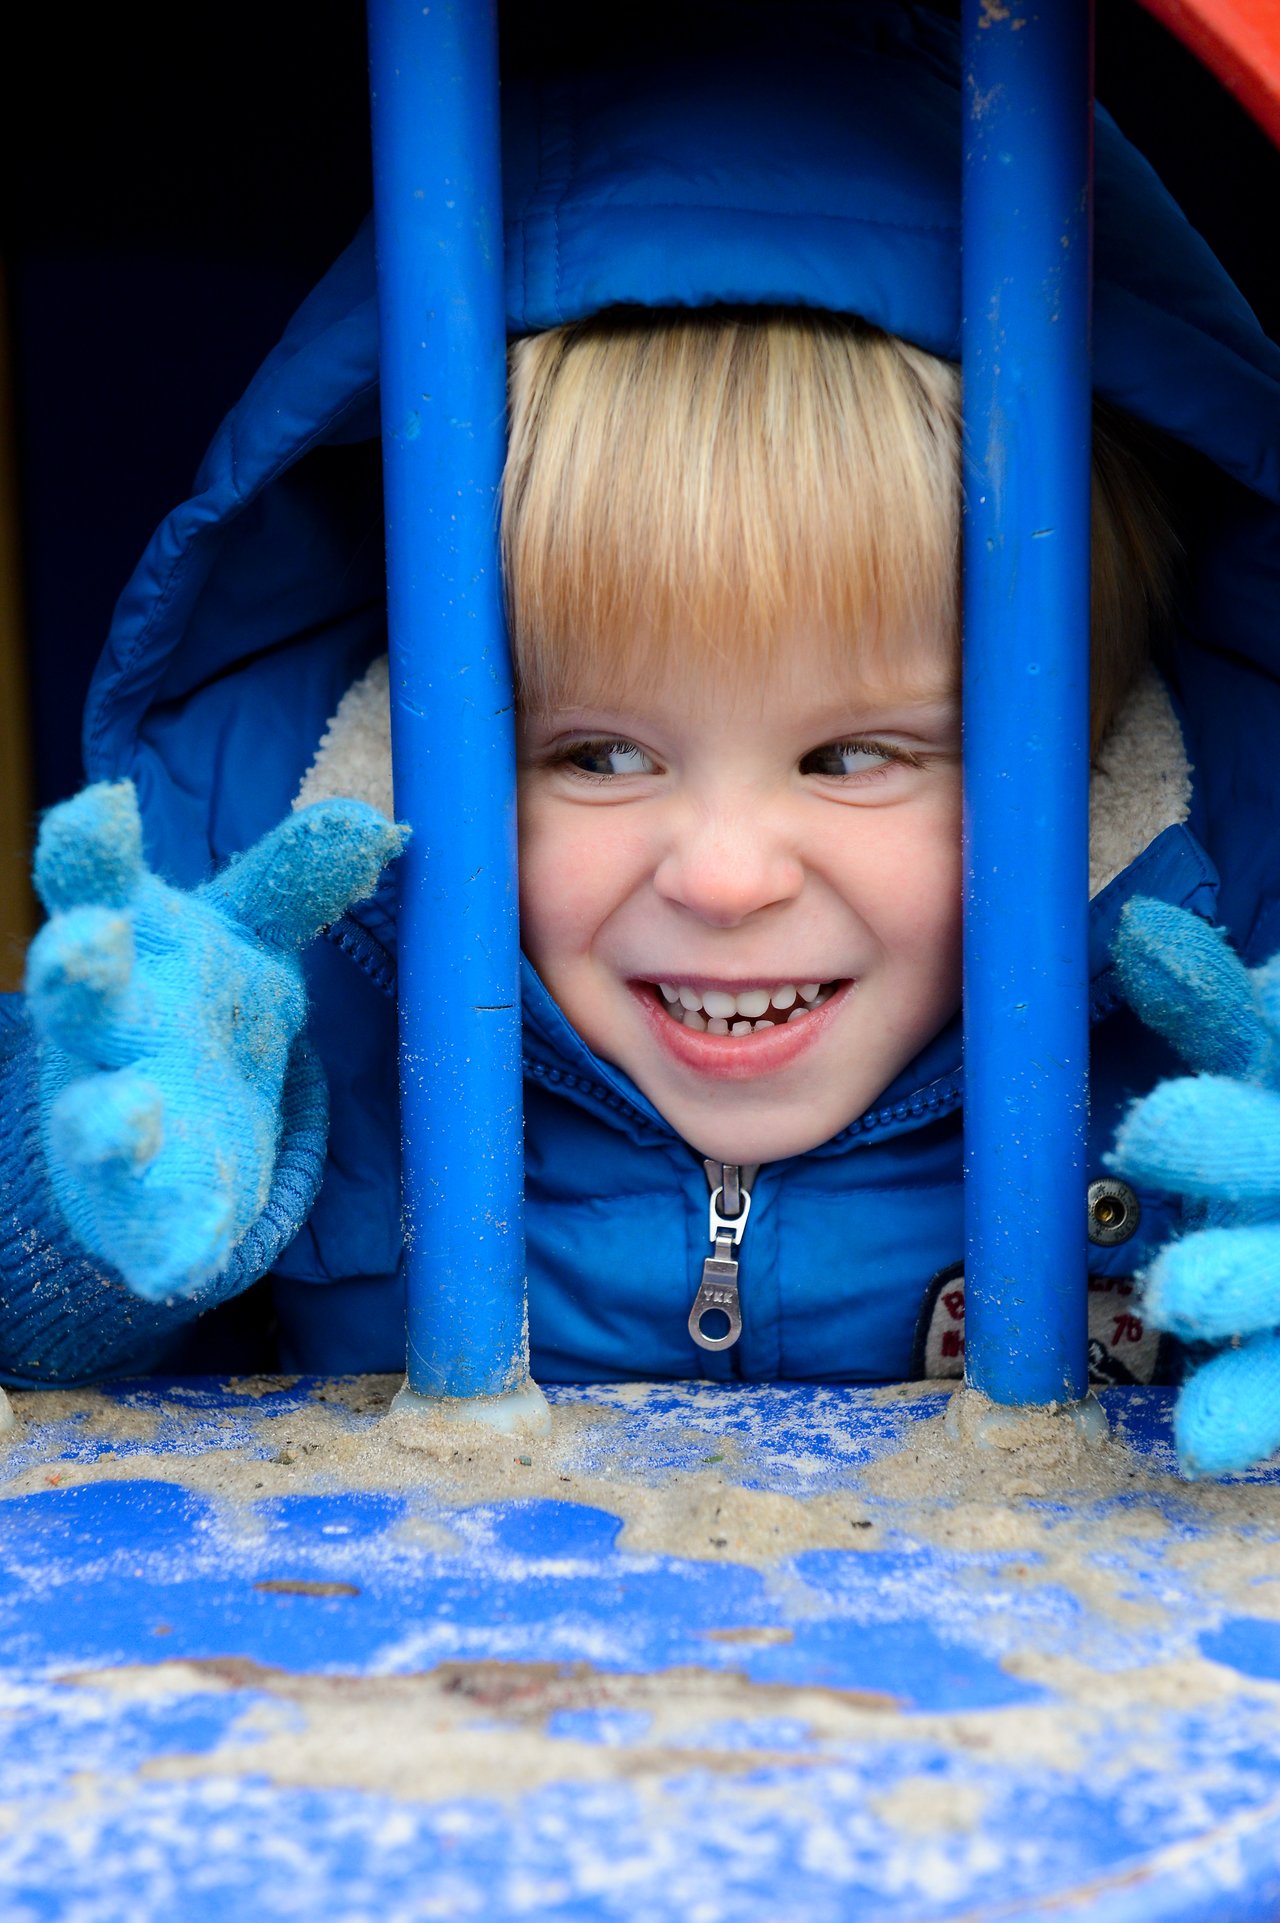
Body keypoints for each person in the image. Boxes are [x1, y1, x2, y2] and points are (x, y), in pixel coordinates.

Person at [3, 5, 1279, 1471]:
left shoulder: (1227, 966)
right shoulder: (304, 973)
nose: (727, 878)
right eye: (601, 754)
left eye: (855, 755)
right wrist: (84, 1191)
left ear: (1082, 731)